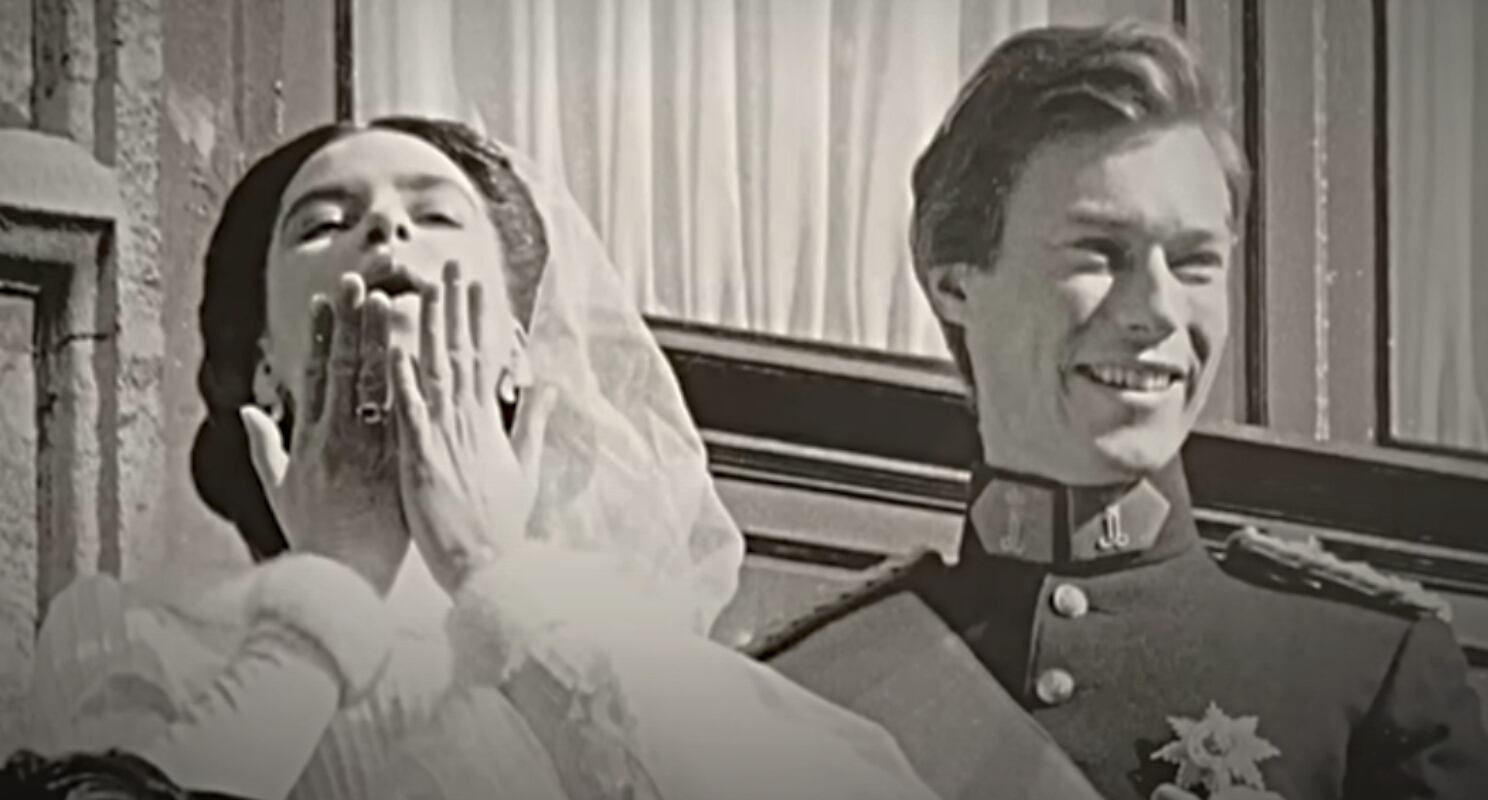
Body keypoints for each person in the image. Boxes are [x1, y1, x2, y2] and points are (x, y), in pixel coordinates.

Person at [9, 117, 990, 799]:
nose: (384, 228)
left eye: (434, 214)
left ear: (520, 346)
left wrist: (492, 569)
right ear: (264, 362)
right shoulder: (129, 640)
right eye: (322, 220)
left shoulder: (638, 655)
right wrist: (327, 599)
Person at [758, 20, 1488, 800]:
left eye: (1195, 262)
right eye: (1099, 253)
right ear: (956, 282)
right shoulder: (806, 692)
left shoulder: (1367, 676)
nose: (1160, 311)